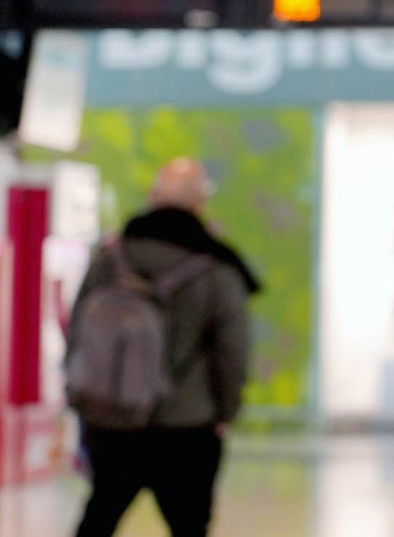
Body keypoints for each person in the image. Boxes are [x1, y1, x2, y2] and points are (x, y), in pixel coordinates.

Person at [71, 158, 259, 537]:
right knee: (189, 526)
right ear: (199, 204)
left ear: (153, 197)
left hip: (111, 419)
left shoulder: (110, 258)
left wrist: (84, 402)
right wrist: (226, 410)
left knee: (100, 516)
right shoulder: (216, 269)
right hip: (187, 426)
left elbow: (77, 330)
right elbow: (233, 352)